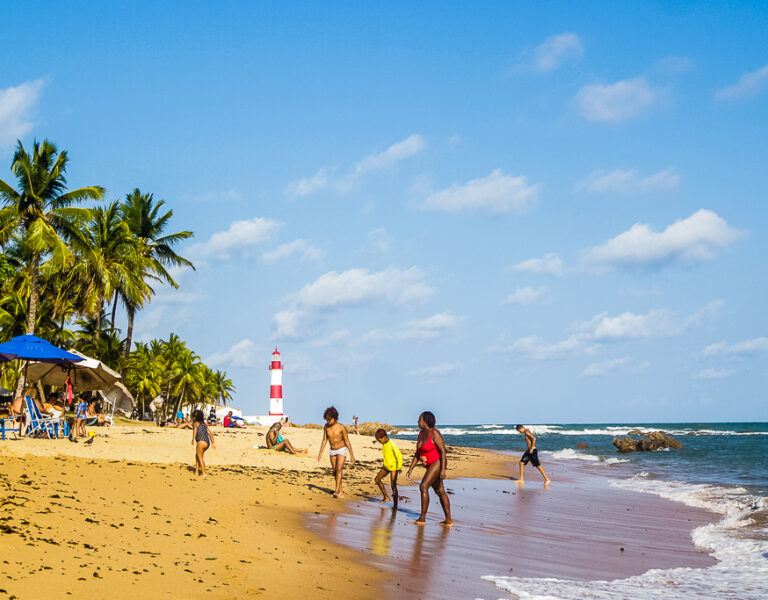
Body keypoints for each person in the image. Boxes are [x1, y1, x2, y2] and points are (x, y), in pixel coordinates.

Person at [406, 411, 452, 527]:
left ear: (425, 421)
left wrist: (442, 470)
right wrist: (411, 468)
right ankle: (448, 520)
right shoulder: (421, 434)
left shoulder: (434, 433)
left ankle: (422, 518)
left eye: (419, 419)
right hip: (429, 466)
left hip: (437, 463)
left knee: (423, 486)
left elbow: (442, 451)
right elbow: (418, 453)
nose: (418, 421)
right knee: (440, 491)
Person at [317, 406, 355, 498]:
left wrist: (352, 455)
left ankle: (336, 490)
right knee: (335, 472)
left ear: (334, 418)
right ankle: (340, 491)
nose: (328, 421)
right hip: (332, 451)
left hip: (341, 449)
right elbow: (324, 440)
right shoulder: (326, 427)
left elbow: (347, 441)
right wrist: (320, 454)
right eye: (326, 420)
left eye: (329, 419)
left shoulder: (341, 427)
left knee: (339, 469)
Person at [374, 428, 403, 509]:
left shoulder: (392, 444)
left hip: (394, 467)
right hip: (386, 466)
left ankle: (395, 505)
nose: (379, 442)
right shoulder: (384, 444)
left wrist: (399, 467)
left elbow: (399, 456)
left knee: (393, 485)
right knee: (377, 479)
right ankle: (386, 497)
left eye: (379, 440)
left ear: (384, 437)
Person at [191, 409, 215, 477]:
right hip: (207, 442)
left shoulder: (195, 424)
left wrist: (193, 439)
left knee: (200, 457)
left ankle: (204, 473)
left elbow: (195, 431)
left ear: (195, 417)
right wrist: (213, 443)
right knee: (197, 456)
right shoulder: (204, 425)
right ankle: (196, 472)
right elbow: (210, 434)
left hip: (201, 442)